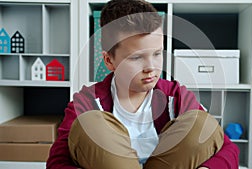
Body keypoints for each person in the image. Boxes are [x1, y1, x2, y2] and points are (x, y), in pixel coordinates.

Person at [46, 0, 239, 168]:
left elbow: (229, 149)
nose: (151, 67)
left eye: (157, 54)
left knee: (201, 123)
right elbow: (57, 162)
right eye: (136, 57)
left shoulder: (175, 95)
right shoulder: (87, 100)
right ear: (109, 61)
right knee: (89, 124)